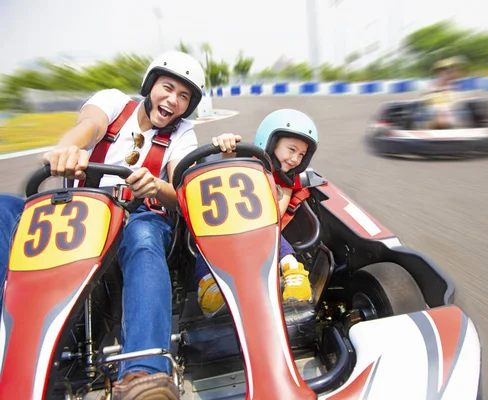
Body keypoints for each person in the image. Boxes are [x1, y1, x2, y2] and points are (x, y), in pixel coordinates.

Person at [0, 51, 209, 399]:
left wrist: (156, 187)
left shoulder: (183, 134)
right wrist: (68, 151)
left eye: (184, 96)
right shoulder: (113, 102)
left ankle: (144, 372)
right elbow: (87, 128)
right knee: (5, 207)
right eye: (167, 87)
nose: (172, 100)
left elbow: (181, 191)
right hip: (79, 212)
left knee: (144, 237)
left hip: (136, 216)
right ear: (150, 85)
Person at [195, 109, 319, 318]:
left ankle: (292, 273)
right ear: (270, 141)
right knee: (206, 245)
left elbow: (276, 217)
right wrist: (227, 148)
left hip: (262, 230)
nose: (296, 159)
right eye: (291, 149)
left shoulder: (287, 180)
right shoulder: (245, 161)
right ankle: (209, 286)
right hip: (222, 227)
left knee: (273, 235)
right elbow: (225, 166)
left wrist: (276, 187)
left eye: (301, 155)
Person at [419, 56, 467, 129]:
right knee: (438, 113)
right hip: (435, 107)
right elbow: (424, 96)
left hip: (449, 107)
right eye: (442, 70)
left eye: (447, 71)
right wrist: (433, 92)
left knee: (456, 111)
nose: (445, 73)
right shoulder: (432, 84)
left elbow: (457, 96)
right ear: (438, 72)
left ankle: (453, 128)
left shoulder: (454, 84)